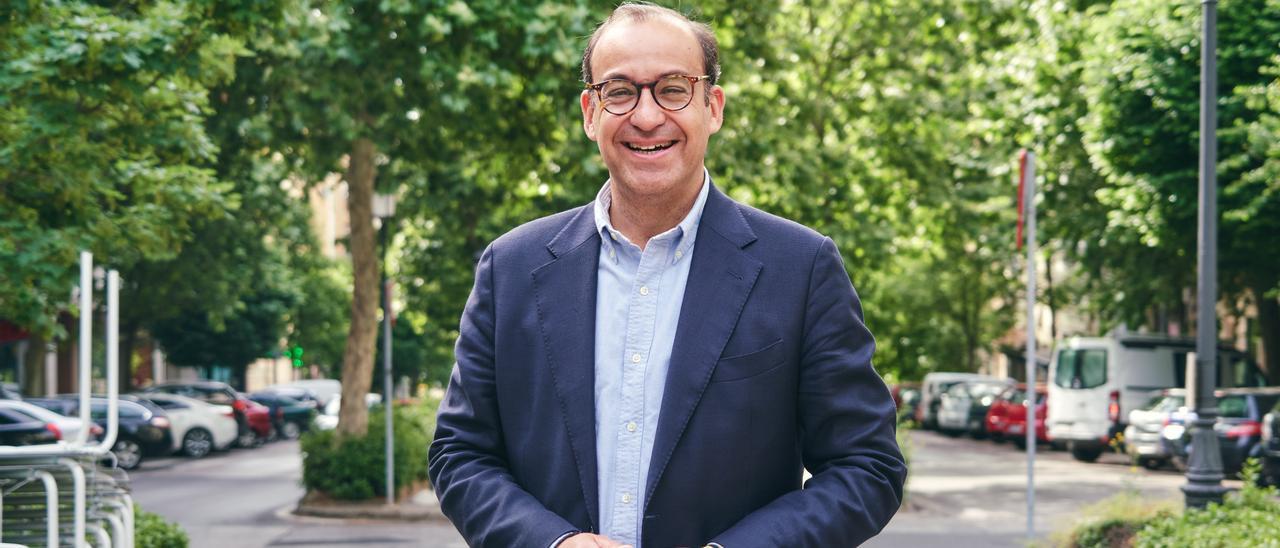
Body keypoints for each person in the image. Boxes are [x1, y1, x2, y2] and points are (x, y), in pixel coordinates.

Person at [428, 3, 906, 547]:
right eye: (620, 91)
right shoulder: (510, 267)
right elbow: (460, 454)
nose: (648, 115)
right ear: (590, 112)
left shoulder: (801, 267)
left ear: (713, 107)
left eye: (674, 89)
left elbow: (867, 467)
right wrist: (552, 543)